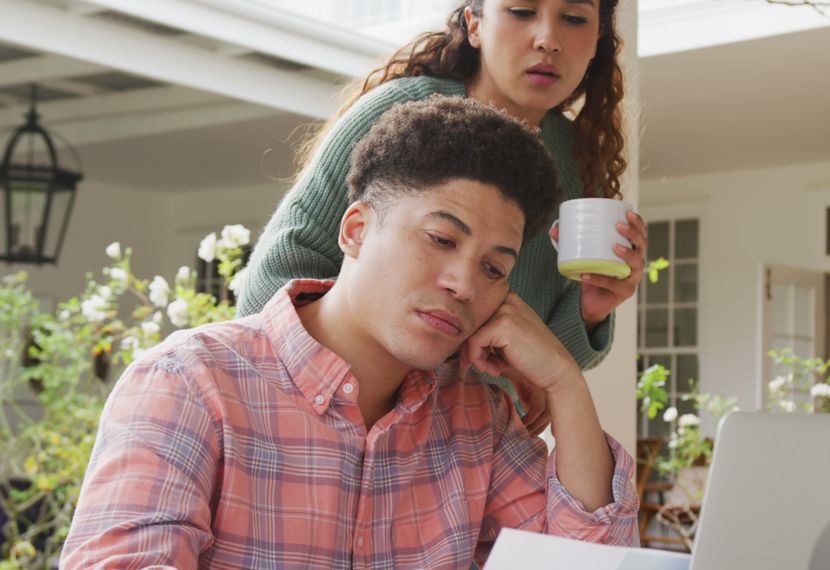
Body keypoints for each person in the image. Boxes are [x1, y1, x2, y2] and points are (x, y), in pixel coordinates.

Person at [60, 97, 638, 570]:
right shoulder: (189, 383)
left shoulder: (476, 417)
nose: (464, 283)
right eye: (440, 239)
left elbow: (584, 561)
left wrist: (563, 380)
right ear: (356, 230)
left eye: (494, 268)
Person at [237, 0, 648, 426]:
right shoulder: (396, 115)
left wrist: (588, 310)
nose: (548, 39)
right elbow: (273, 281)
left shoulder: (580, 164)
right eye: (522, 12)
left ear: (598, 39)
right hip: (329, 419)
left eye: (575, 19)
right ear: (474, 24)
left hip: (463, 451)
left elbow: (532, 374)